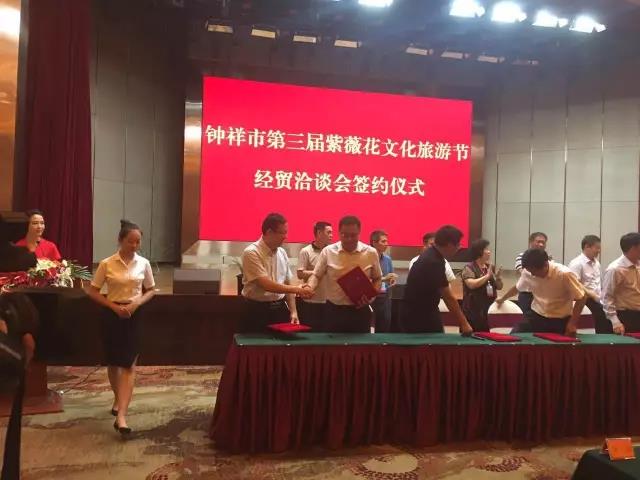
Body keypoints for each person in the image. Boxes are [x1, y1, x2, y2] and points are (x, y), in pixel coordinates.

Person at [85, 220, 156, 437]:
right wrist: (112, 306)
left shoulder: (144, 263)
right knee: (114, 361)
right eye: (130, 241)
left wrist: (136, 303)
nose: (134, 246)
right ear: (120, 240)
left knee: (129, 363)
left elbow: (151, 290)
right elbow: (93, 291)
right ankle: (118, 399)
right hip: (112, 314)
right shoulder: (107, 264)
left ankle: (122, 416)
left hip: (134, 315)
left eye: (138, 242)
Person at [307, 215, 382, 333]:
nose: (348, 239)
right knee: (332, 344)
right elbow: (316, 275)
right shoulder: (328, 251)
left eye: (353, 235)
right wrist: (309, 287)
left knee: (360, 344)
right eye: (344, 235)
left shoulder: (370, 253)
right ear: (339, 232)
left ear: (359, 233)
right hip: (334, 311)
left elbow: (377, 278)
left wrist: (371, 296)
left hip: (360, 311)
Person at [240, 213, 312, 333]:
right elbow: (266, 284)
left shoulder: (282, 252)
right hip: (257, 310)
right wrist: (297, 289)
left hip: (279, 309)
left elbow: (287, 283)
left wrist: (293, 311)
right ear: (269, 232)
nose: (285, 237)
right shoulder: (252, 252)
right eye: (282, 233)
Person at [401, 225, 473, 334]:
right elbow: (448, 297)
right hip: (418, 317)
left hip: (423, 312)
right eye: (458, 244)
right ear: (449, 245)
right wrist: (464, 323)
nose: (459, 247)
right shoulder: (433, 261)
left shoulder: (433, 255)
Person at [498, 248, 586, 335]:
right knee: (515, 334)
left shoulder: (564, 274)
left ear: (545, 265)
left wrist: (572, 323)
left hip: (560, 319)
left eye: (534, 272)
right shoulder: (528, 272)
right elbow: (518, 288)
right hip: (536, 315)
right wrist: (502, 299)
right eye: (530, 271)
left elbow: (582, 297)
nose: (532, 274)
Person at [568, 235, 611, 333]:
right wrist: (591, 294)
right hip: (585, 301)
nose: (599, 251)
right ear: (587, 247)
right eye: (597, 248)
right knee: (600, 324)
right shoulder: (576, 263)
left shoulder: (597, 263)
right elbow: (574, 283)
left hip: (598, 300)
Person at [296, 221, 333, 331]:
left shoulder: (331, 252)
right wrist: (318, 272)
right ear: (319, 233)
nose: (331, 235)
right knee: (310, 334)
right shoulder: (306, 251)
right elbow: (300, 274)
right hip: (311, 302)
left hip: (328, 301)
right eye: (329, 232)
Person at [602, 232, 640, 334]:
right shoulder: (615, 269)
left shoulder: (638, 265)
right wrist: (615, 322)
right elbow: (607, 297)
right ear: (633, 248)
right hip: (625, 317)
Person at [461, 239, 503, 332]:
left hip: (489, 308)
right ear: (479, 251)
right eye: (486, 249)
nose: (489, 252)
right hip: (473, 309)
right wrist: (487, 276)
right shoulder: (469, 267)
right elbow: (471, 284)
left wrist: (498, 278)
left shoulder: (490, 267)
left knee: (487, 333)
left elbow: (499, 287)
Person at [513, 232, 548, 315]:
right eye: (538, 242)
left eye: (543, 242)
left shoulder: (547, 258)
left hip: (543, 295)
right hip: (527, 295)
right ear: (531, 242)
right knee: (527, 318)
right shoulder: (522, 256)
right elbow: (525, 273)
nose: (541, 245)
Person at [370, 230, 398, 333]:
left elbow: (391, 276)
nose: (386, 244)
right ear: (374, 242)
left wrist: (392, 280)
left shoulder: (387, 259)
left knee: (384, 325)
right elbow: (364, 278)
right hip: (369, 296)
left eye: (387, 241)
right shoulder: (367, 258)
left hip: (384, 296)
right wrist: (384, 278)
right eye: (383, 241)